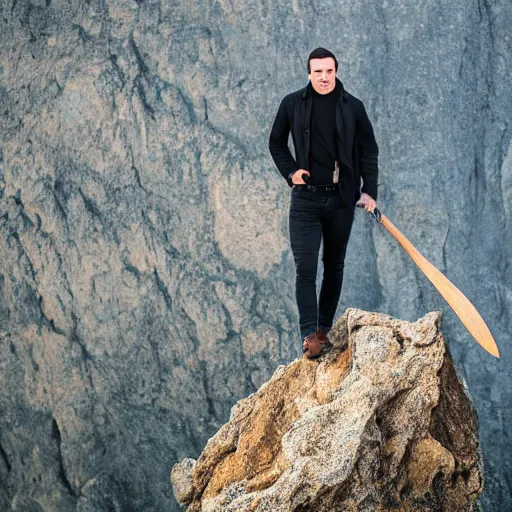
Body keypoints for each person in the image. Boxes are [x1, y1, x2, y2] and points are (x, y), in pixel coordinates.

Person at [268, 47, 379, 359]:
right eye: (318, 71)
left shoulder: (353, 107)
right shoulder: (291, 103)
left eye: (329, 71)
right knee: (305, 266)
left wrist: (368, 191)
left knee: (334, 267)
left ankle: (322, 330)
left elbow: (369, 150)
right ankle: (308, 335)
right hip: (305, 199)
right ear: (309, 73)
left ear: (336, 71)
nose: (324, 77)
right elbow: (275, 142)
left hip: (342, 199)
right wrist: (291, 172)